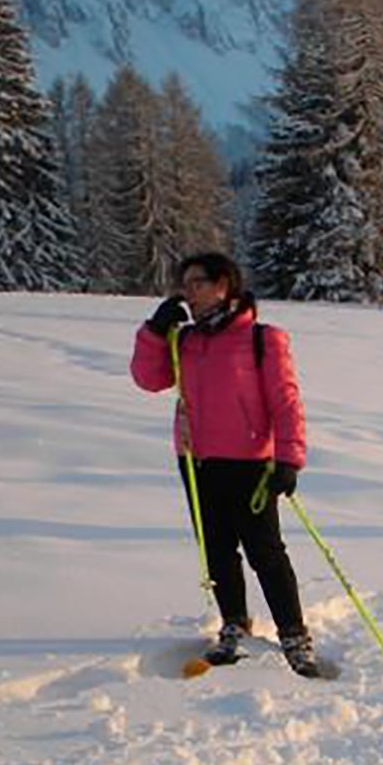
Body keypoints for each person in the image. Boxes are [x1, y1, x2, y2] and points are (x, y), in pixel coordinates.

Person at [130, 251, 318, 675]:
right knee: (216, 551)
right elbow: (148, 379)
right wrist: (155, 333)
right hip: (197, 461)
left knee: (265, 552)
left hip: (250, 462)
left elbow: (286, 402)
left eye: (198, 282)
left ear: (223, 286)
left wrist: (288, 459)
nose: (189, 292)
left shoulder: (261, 339)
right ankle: (234, 624)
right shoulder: (186, 340)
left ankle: (294, 633)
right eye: (185, 284)